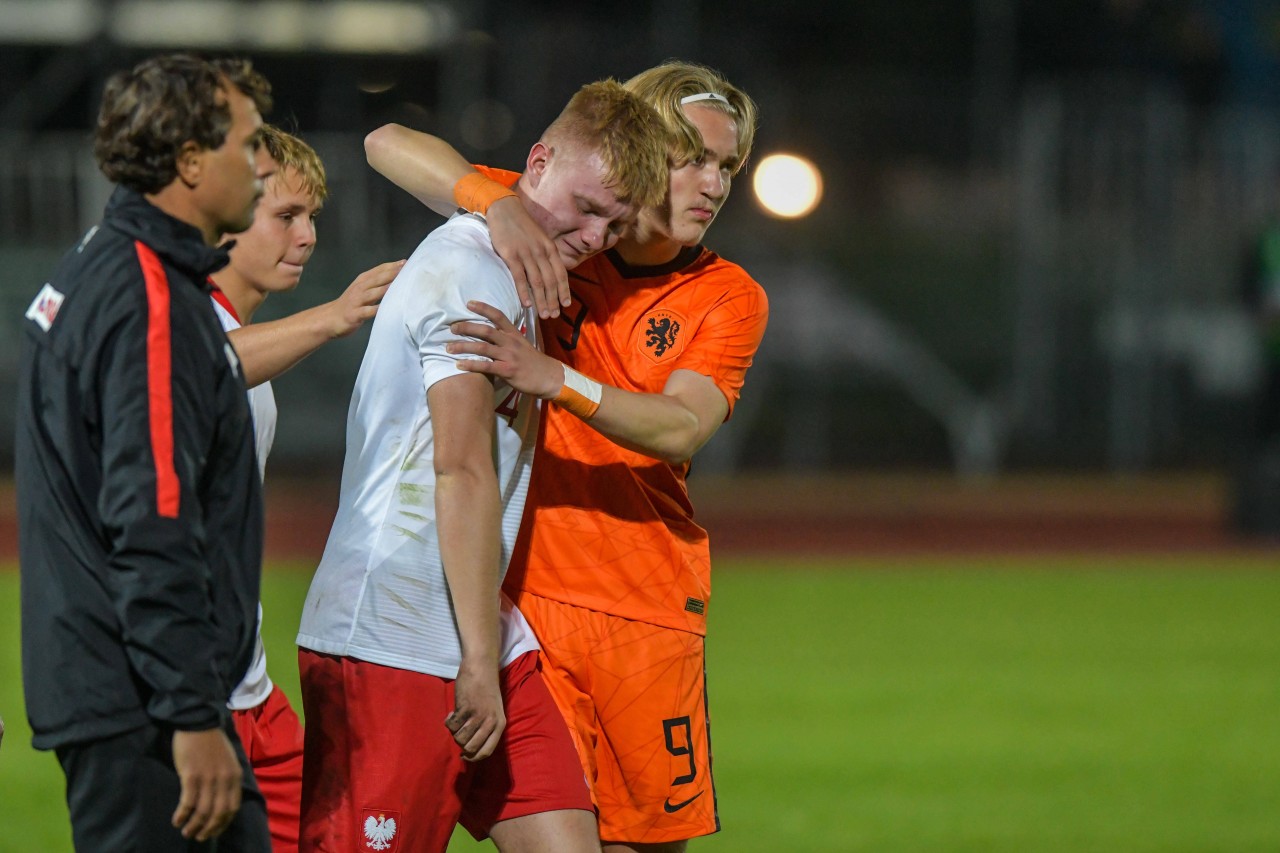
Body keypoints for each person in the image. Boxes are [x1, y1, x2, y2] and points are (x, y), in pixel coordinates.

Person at [364, 60, 767, 853]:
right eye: (693, 158)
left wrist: (554, 378)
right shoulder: (564, 215)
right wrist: (497, 207)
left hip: (643, 608)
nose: (712, 184)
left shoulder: (727, 295)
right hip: (522, 611)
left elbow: (683, 427)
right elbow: (385, 141)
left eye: (727, 166)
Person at [294, 79, 670, 853]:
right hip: (393, 632)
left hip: (481, 626)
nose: (597, 234)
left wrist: (483, 648)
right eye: (588, 206)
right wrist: (472, 658)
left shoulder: (514, 266)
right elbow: (459, 472)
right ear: (534, 165)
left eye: (616, 222)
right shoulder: (471, 274)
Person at [16, 53, 273, 850]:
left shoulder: (97, 262)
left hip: (114, 690)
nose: (264, 169)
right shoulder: (150, 297)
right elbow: (152, 518)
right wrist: (191, 717)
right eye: (248, 144)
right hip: (146, 707)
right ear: (190, 162)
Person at [208, 123, 405, 853]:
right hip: (185, 701)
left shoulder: (244, 345)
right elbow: (192, 363)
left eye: (313, 217)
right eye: (286, 216)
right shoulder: (168, 323)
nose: (309, 235)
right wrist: (335, 316)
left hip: (247, 688)